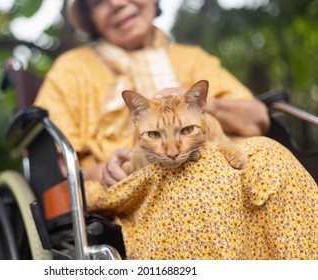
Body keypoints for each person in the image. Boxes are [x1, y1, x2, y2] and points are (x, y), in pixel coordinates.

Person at [34, 0, 318, 259]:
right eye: (99, 1)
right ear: (89, 15)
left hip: (221, 151)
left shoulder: (190, 58)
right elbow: (55, 168)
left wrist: (201, 104)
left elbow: (258, 118)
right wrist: (105, 168)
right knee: (199, 184)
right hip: (133, 180)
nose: (118, 3)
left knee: (272, 158)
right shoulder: (71, 70)